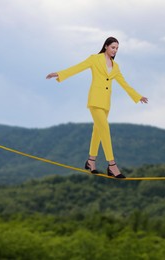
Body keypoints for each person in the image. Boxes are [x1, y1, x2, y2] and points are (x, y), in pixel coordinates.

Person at [46, 37, 148, 178]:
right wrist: (59, 73)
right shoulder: (95, 59)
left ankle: (91, 161)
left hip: (106, 103)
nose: (115, 50)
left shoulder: (115, 66)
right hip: (95, 100)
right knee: (105, 129)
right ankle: (112, 165)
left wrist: (138, 96)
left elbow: (124, 83)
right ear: (106, 46)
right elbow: (78, 67)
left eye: (117, 48)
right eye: (113, 47)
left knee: (98, 132)